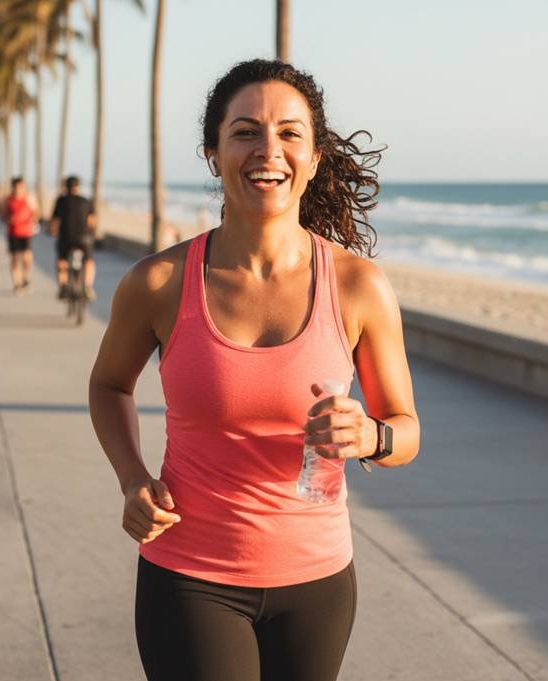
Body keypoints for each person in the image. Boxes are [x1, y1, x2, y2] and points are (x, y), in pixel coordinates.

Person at [89, 59, 420, 681]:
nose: (269, 149)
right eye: (245, 131)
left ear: (315, 156)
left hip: (319, 580)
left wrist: (371, 435)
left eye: (290, 133)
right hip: (190, 575)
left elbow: (407, 430)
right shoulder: (159, 283)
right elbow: (109, 385)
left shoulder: (357, 285)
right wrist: (132, 478)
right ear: (213, 153)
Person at [50, 175, 98, 300]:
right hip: (84, 238)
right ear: (78, 186)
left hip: (66, 238)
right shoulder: (86, 200)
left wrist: (53, 231)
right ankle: (88, 286)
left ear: (66, 187)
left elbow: (55, 221)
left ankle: (63, 287)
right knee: (89, 262)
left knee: (62, 261)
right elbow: (92, 221)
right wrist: (92, 234)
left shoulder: (61, 200)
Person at [3, 177, 38, 295]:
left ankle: (25, 277)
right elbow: (2, 214)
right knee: (15, 259)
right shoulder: (9, 200)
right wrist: (9, 219)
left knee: (27, 257)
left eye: (22, 186)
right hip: (13, 233)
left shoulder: (29, 198)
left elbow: (37, 213)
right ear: (13, 187)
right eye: (18, 187)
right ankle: (16, 284)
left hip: (26, 232)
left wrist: (33, 218)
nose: (20, 189)